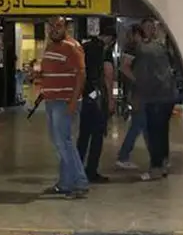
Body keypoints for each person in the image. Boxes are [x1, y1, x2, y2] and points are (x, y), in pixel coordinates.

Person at [38, 16, 88, 199]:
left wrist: (74, 101)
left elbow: (81, 75)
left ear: (66, 27)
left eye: (58, 26)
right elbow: (48, 71)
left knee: (63, 143)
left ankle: (80, 182)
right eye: (51, 26)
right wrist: (38, 75)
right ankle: (66, 183)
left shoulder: (72, 47)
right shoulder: (51, 46)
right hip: (52, 100)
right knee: (60, 143)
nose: (54, 29)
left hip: (64, 101)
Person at [123, 18, 178, 181]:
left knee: (154, 132)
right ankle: (162, 164)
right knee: (161, 131)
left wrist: (138, 83)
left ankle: (156, 167)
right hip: (167, 94)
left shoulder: (139, 48)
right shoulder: (162, 47)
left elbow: (125, 67)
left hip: (153, 96)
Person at [77, 19, 117, 183]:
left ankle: (77, 169)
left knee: (84, 135)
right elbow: (108, 76)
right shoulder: (104, 51)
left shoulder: (85, 47)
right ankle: (91, 171)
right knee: (97, 136)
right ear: (110, 38)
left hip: (87, 96)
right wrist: (111, 98)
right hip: (99, 97)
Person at [115, 24, 148, 169]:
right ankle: (123, 156)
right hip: (138, 93)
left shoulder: (136, 48)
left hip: (139, 93)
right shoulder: (133, 49)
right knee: (138, 124)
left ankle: (157, 158)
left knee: (144, 125)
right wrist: (139, 80)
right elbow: (124, 67)